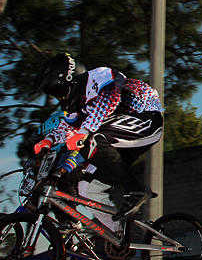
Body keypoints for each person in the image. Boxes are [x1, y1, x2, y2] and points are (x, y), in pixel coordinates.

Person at [34, 52, 163, 219]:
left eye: (57, 90)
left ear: (68, 79)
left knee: (92, 139)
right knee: (85, 188)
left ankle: (136, 189)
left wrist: (84, 131)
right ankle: (114, 233)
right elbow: (67, 127)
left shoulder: (97, 76)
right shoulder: (73, 105)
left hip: (146, 120)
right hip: (120, 141)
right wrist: (48, 140)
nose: (59, 97)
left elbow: (111, 99)